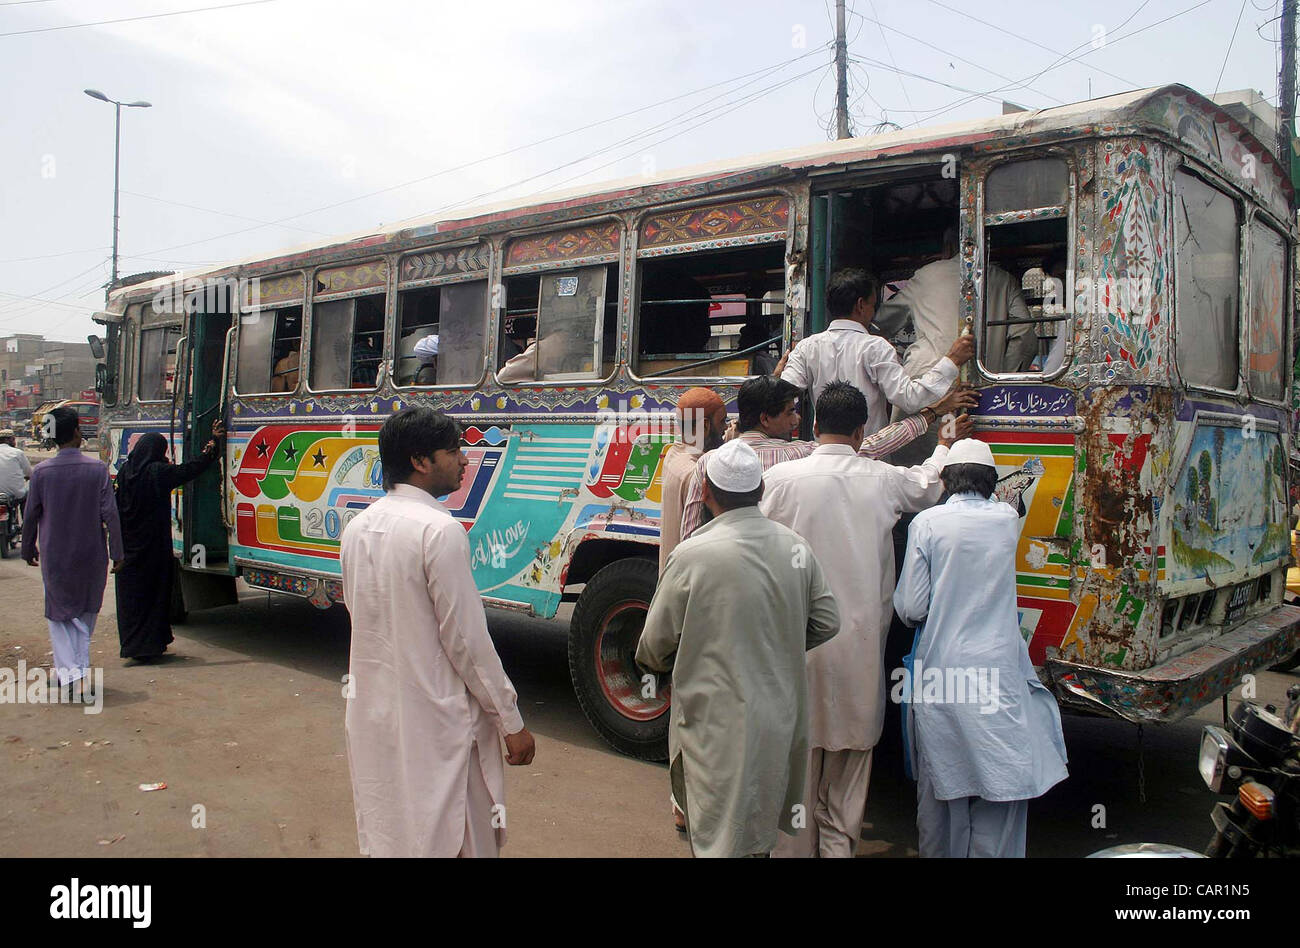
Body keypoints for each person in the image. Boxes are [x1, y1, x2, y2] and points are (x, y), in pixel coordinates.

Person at [761, 381, 964, 857]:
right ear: (861, 430)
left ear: (813, 426)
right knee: (848, 778)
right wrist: (945, 444)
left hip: (796, 652)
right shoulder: (881, 478)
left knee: (796, 778)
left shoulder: (779, 482)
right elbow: (930, 483)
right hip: (859, 652)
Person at [340, 407, 535, 857]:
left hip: (377, 718)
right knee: (454, 835)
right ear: (420, 462)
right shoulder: (439, 531)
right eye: (453, 451)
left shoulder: (358, 528)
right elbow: (466, 642)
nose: (465, 461)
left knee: (394, 830)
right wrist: (511, 721)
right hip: (439, 726)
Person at [636, 438, 840, 857]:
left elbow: (653, 648)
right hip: (778, 718)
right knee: (758, 832)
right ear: (761, 491)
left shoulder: (692, 554)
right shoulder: (795, 547)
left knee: (715, 837)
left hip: (714, 723)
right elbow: (827, 621)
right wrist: (778, 642)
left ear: (706, 492)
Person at [893, 439, 1069, 858]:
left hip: (942, 672)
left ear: (946, 479)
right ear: (990, 480)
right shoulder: (1006, 519)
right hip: (998, 673)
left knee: (941, 788)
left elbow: (912, 607)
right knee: (1002, 783)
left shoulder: (927, 523)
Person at [679, 374, 976, 540]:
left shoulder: (707, 462)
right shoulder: (800, 453)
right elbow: (872, 445)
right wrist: (933, 416)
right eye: (789, 412)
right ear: (765, 419)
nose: (797, 420)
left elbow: (690, 532)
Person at [781, 267, 973, 434]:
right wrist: (951, 360)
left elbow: (782, 393)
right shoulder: (875, 347)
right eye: (873, 305)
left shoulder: (806, 347)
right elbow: (909, 399)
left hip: (824, 452)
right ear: (861, 305)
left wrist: (775, 379)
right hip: (871, 456)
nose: (873, 313)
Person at [657, 386, 727, 834]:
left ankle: (680, 800)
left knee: (683, 705)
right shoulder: (699, 470)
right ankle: (688, 803)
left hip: (674, 594)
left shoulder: (675, 456)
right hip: (694, 599)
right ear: (710, 426)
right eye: (723, 421)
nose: (727, 428)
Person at [20, 407, 123, 700]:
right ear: (77, 433)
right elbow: (110, 515)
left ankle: (73, 673)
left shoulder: (41, 473)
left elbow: (30, 517)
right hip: (91, 553)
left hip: (56, 555)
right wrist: (118, 551)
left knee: (60, 615)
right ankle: (74, 670)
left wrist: (28, 548)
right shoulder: (97, 470)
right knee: (86, 611)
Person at [112, 420, 224, 662]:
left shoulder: (126, 472)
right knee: (154, 595)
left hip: (129, 548)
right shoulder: (157, 473)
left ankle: (134, 646)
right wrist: (213, 444)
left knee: (132, 600)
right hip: (153, 547)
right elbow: (190, 469)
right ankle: (151, 645)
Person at [875, 227, 1036, 379]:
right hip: (983, 382)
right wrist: (1002, 374)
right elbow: (1024, 333)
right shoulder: (1004, 280)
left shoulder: (926, 275)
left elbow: (881, 323)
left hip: (926, 379)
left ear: (949, 246)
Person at [0, 427, 32, 507]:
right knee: (28, 494)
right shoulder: (17, 452)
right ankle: (26, 519)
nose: (15, 442)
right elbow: (29, 473)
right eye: (13, 439)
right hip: (16, 495)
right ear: (8, 440)